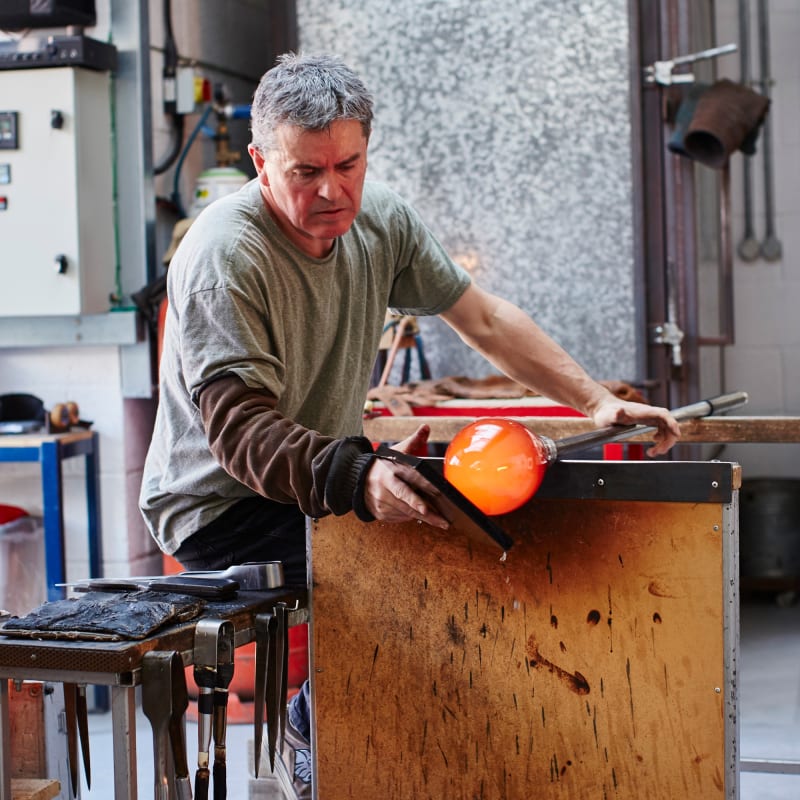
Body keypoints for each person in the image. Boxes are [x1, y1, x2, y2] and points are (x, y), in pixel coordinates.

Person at [140, 52, 681, 798]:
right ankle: (317, 724)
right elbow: (241, 434)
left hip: (318, 478)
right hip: (222, 504)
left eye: (348, 164)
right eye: (305, 172)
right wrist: (361, 476)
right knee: (422, 558)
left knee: (478, 536)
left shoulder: (380, 219)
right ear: (262, 161)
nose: (333, 190)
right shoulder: (223, 254)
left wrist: (594, 402)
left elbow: (483, 318)